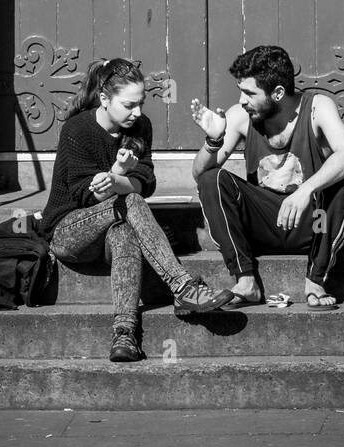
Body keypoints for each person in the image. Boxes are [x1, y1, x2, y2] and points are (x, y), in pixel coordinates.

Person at [41, 57, 231, 361]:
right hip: (69, 232)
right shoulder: (77, 129)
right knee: (128, 202)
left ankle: (125, 335)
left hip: (110, 228)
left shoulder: (141, 126)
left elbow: (146, 182)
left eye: (140, 103)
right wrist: (118, 178)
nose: (137, 112)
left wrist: (117, 179)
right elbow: (82, 196)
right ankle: (182, 286)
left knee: (124, 233)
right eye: (129, 105)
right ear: (104, 99)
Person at [191, 45, 344, 309]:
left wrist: (305, 191)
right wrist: (213, 141)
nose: (242, 100)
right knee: (212, 180)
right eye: (240, 92)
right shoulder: (240, 116)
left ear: (278, 93)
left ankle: (316, 280)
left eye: (249, 93)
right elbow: (200, 174)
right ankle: (245, 281)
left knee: (342, 186)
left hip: (314, 224)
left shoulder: (317, 106)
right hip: (265, 224)